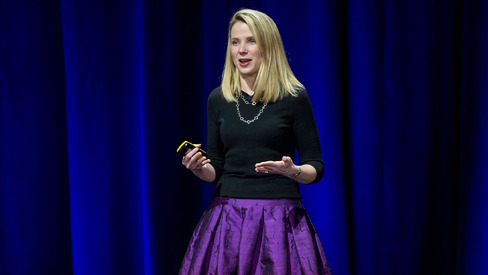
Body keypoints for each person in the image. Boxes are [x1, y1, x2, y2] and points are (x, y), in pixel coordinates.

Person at [179, 8, 332, 274]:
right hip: (228, 220)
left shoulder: (294, 97)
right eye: (235, 42)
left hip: (280, 220)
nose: (241, 50)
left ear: (268, 45)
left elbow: (315, 167)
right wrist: (198, 167)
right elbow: (216, 168)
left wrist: (292, 171)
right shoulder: (219, 98)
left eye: (251, 41)